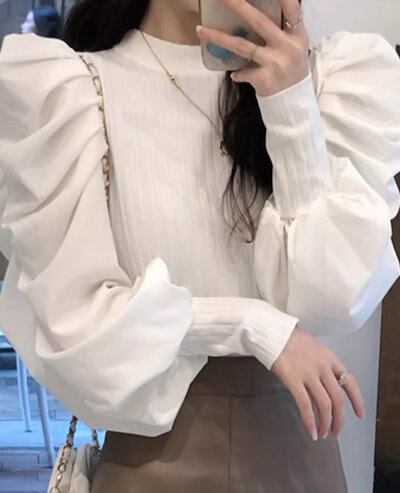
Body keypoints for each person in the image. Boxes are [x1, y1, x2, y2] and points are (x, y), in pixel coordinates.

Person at [0, 0, 399, 491]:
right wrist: (249, 324)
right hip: (153, 462)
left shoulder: (330, 82)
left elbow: (334, 299)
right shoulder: (74, 91)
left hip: (298, 456)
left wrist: (291, 105)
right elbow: (76, 324)